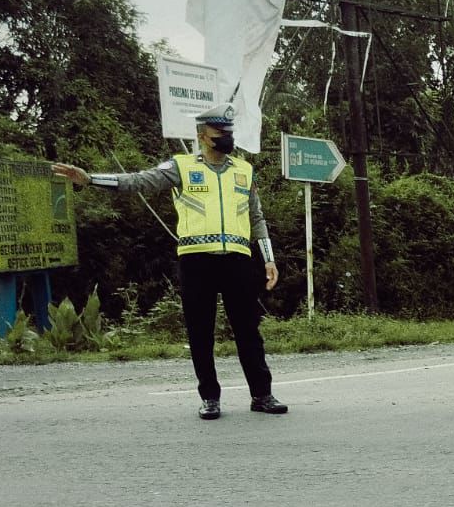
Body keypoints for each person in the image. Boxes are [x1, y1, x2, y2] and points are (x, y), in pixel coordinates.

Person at [53, 104, 289, 420]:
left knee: (248, 330)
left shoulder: (244, 170)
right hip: (196, 262)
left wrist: (269, 259)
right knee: (200, 331)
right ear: (203, 136)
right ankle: (210, 398)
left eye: (229, 132)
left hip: (237, 260)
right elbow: (138, 181)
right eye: (220, 132)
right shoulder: (181, 166)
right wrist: (91, 179)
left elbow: (256, 217)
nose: (226, 137)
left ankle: (262, 394)